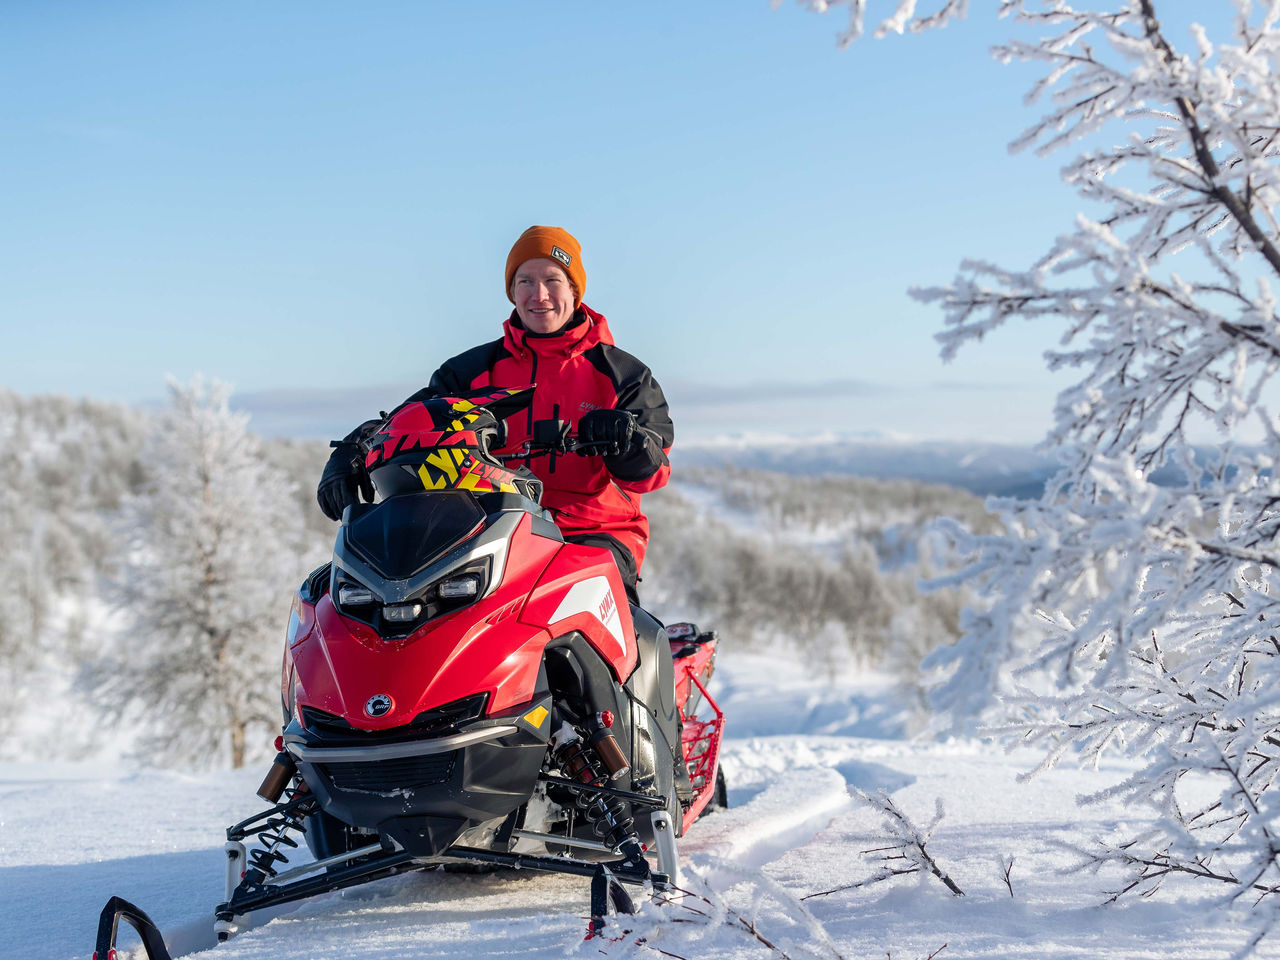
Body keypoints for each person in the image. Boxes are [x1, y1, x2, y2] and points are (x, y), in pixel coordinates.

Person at [316, 225, 673, 605]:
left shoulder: (624, 374)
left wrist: (626, 438)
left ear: (574, 289)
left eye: (553, 280)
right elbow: (410, 421)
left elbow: (652, 472)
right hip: (485, 527)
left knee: (595, 622)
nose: (539, 295)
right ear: (512, 291)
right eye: (525, 281)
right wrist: (355, 448)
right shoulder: (470, 371)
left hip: (589, 533)